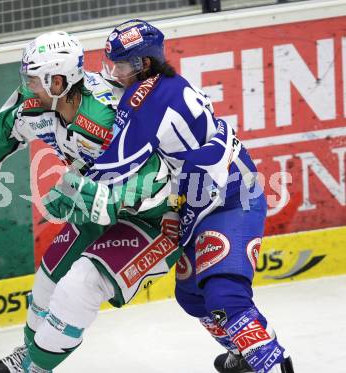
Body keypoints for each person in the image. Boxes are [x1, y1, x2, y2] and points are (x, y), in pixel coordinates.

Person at [45, 20, 295, 373]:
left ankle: (273, 364)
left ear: (143, 64)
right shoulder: (162, 85)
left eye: (120, 64)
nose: (112, 71)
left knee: (225, 295)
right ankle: (244, 355)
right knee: (192, 294)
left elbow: (122, 160)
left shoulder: (145, 97)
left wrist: (76, 185)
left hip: (232, 197)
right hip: (199, 203)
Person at [0, 30, 181, 373]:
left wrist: (106, 198)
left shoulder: (109, 114)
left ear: (58, 81)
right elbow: (7, 125)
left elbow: (157, 175)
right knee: (48, 279)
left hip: (155, 215)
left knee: (79, 285)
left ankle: (36, 365)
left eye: (33, 81)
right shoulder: (39, 106)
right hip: (98, 199)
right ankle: (32, 354)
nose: (27, 89)